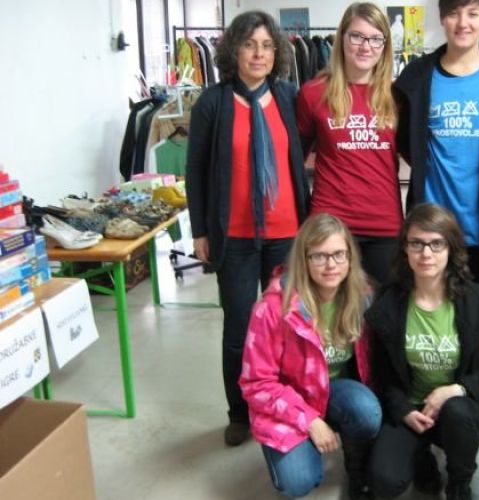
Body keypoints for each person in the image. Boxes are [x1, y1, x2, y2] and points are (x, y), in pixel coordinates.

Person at [186, 10, 310, 447]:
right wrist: (200, 230)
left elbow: (309, 149)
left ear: (276, 53)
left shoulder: (290, 97)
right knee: (239, 329)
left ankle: (288, 404)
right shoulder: (212, 103)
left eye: (267, 46)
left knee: (289, 326)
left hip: (286, 234)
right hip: (235, 237)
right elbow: (196, 170)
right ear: (234, 51)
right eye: (250, 45)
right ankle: (240, 412)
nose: (259, 54)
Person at [365, 203, 479, 500]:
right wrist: (403, 410)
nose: (426, 253)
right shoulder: (387, 305)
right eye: (416, 243)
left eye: (436, 244)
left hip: (464, 408)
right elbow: (382, 374)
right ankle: (421, 459)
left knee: (457, 412)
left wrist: (457, 389)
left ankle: (459, 483)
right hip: (412, 406)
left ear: (451, 248)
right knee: (385, 481)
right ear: (405, 248)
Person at [239, 214, 381, 500]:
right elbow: (256, 384)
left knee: (367, 411)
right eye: (319, 256)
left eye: (339, 254)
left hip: (335, 391)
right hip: (289, 399)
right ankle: (299, 446)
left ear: (350, 257)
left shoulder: (363, 296)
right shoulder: (272, 309)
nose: (331, 265)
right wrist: (310, 421)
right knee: (298, 482)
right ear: (303, 259)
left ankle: (356, 467)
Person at [392, 0, 479, 294]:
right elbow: (406, 143)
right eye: (453, 13)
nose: (463, 23)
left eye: (472, 14)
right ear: (442, 18)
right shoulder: (417, 78)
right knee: (431, 311)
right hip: (431, 231)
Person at [296, 2, 401, 285]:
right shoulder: (313, 93)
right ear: (342, 38)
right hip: (330, 224)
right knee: (330, 309)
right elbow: (294, 160)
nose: (366, 46)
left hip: (384, 223)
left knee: (382, 309)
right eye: (357, 36)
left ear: (385, 46)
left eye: (376, 39)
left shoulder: (397, 95)